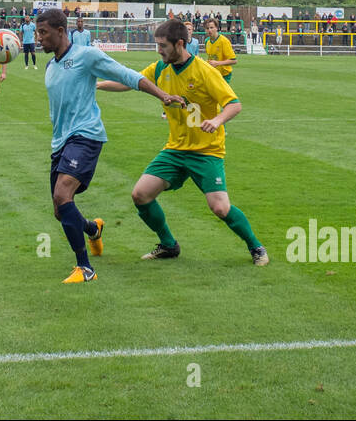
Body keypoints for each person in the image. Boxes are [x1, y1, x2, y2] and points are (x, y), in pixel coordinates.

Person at [97, 18, 268, 267]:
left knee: (220, 208)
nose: (159, 50)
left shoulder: (204, 71)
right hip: (175, 150)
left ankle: (257, 247)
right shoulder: (159, 69)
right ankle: (168, 245)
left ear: (179, 43)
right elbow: (129, 82)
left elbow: (234, 104)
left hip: (206, 151)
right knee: (140, 195)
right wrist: (95, 84)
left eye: (163, 45)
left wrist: (218, 120)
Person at [35, 7, 182, 283]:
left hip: (86, 136)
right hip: (61, 143)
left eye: (43, 32)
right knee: (60, 210)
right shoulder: (50, 65)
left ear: (60, 31)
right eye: (37, 32)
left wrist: (162, 94)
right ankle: (93, 229)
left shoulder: (85, 55)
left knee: (62, 194)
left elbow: (126, 74)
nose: (38, 38)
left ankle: (85, 269)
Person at [204, 18, 238, 83]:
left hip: (224, 75)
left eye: (211, 27)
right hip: (213, 74)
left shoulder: (224, 41)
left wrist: (218, 63)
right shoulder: (207, 41)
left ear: (217, 28)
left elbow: (234, 60)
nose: (209, 30)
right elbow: (211, 58)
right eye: (207, 28)